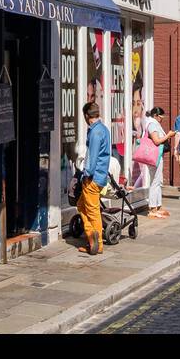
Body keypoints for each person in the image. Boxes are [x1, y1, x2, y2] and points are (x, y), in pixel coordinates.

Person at [76, 101, 110, 254]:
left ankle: (96, 242)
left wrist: (86, 175)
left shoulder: (95, 132)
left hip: (93, 178)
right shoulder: (103, 129)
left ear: (86, 116)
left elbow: (92, 157)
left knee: (92, 210)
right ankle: (92, 236)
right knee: (82, 206)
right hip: (100, 176)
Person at [136, 105, 172, 219]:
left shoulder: (152, 123)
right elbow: (156, 141)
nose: (162, 119)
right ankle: (152, 208)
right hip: (154, 156)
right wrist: (169, 136)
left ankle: (158, 206)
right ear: (156, 116)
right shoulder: (152, 124)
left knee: (158, 181)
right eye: (161, 117)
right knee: (155, 182)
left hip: (157, 155)